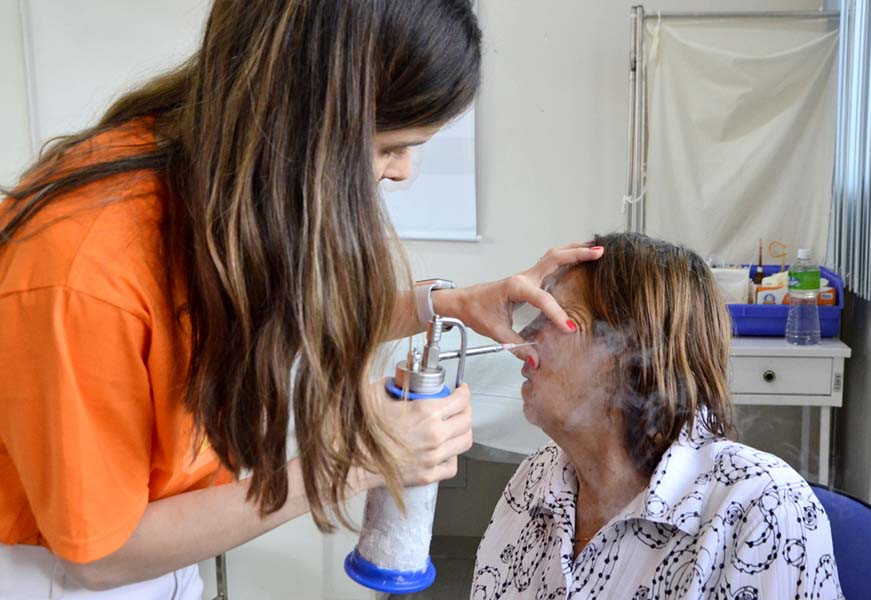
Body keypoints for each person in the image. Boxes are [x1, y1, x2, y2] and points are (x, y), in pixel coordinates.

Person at [0, 1, 601, 597]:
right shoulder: (84, 273)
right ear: (306, 121)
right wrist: (352, 465)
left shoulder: (213, 180)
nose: (405, 172)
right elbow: (100, 556)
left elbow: (276, 309)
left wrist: (445, 304)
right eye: (392, 146)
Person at [473, 233, 843, 599]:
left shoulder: (763, 511)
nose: (523, 336)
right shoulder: (536, 478)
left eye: (556, 317)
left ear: (633, 351)